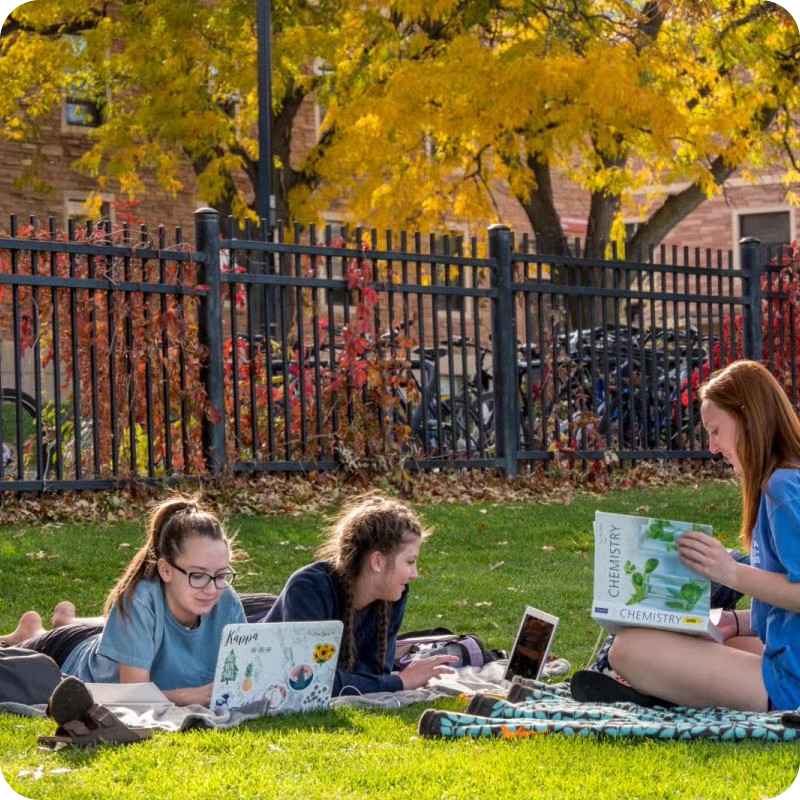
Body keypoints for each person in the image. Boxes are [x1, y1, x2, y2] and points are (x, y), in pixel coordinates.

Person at [578, 359, 800, 711]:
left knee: (629, 649)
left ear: (747, 417)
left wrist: (731, 573)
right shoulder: (783, 482)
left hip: (790, 685)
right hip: (786, 660)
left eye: (715, 431)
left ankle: (659, 692)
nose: (712, 447)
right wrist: (733, 621)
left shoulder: (783, 486)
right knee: (674, 641)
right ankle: (663, 688)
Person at [1, 494, 245, 706]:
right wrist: (190, 696)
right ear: (166, 570)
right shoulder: (139, 600)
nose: (212, 588)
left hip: (107, 639)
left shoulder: (226, 599)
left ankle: (65, 621)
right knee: (28, 660)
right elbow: (133, 694)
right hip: (69, 654)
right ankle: (32, 633)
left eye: (221, 575)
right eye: (198, 575)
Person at [262, 492, 458, 695]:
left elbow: (377, 673)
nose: (415, 574)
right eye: (410, 561)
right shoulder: (308, 589)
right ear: (377, 562)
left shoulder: (393, 595)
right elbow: (309, 681)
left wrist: (365, 679)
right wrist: (399, 683)